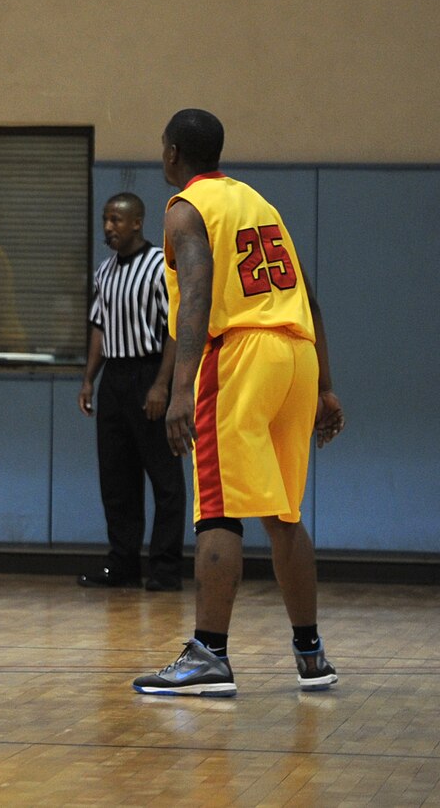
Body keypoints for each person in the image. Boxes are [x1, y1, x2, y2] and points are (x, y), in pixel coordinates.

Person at [133, 109, 344, 697]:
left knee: (218, 507)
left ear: (174, 154)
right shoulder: (259, 203)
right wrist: (326, 385)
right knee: (284, 513)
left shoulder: (185, 209)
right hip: (294, 352)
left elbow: (197, 292)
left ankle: (210, 653)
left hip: (241, 354)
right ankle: (311, 653)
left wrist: (180, 390)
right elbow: (311, 297)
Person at [78, 192, 184, 591]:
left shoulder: (159, 267)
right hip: (115, 380)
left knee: (164, 478)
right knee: (116, 479)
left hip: (149, 372)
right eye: (105, 220)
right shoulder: (105, 272)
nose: (108, 227)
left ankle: (165, 569)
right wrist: (90, 378)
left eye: (116, 220)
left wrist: (162, 384)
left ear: (137, 222)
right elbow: (99, 327)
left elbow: (175, 328)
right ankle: (122, 564)